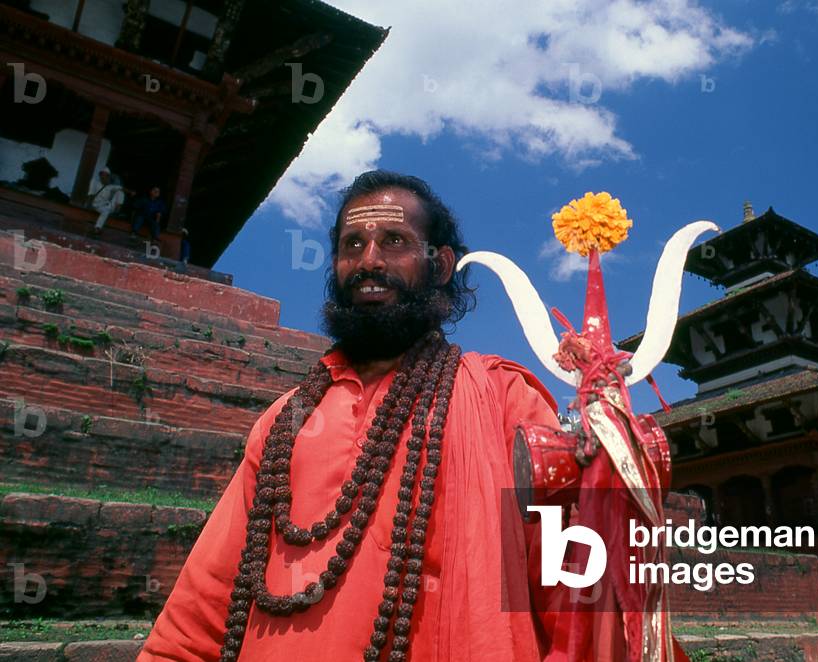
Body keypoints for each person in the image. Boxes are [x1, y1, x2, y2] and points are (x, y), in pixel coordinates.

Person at [139, 171, 562, 661]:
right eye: (352, 244)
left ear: (441, 264)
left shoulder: (504, 398)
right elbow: (202, 608)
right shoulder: (283, 421)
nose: (369, 261)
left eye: (395, 241)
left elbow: (575, 584)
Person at [87, 167, 124, 237]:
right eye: (103, 175)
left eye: (107, 175)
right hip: (97, 205)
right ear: (100, 175)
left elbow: (121, 188)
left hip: (107, 205)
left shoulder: (110, 186)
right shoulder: (95, 182)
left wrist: (131, 192)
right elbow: (90, 194)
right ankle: (97, 228)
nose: (105, 176)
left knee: (120, 192)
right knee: (105, 211)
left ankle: (117, 209)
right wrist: (88, 204)